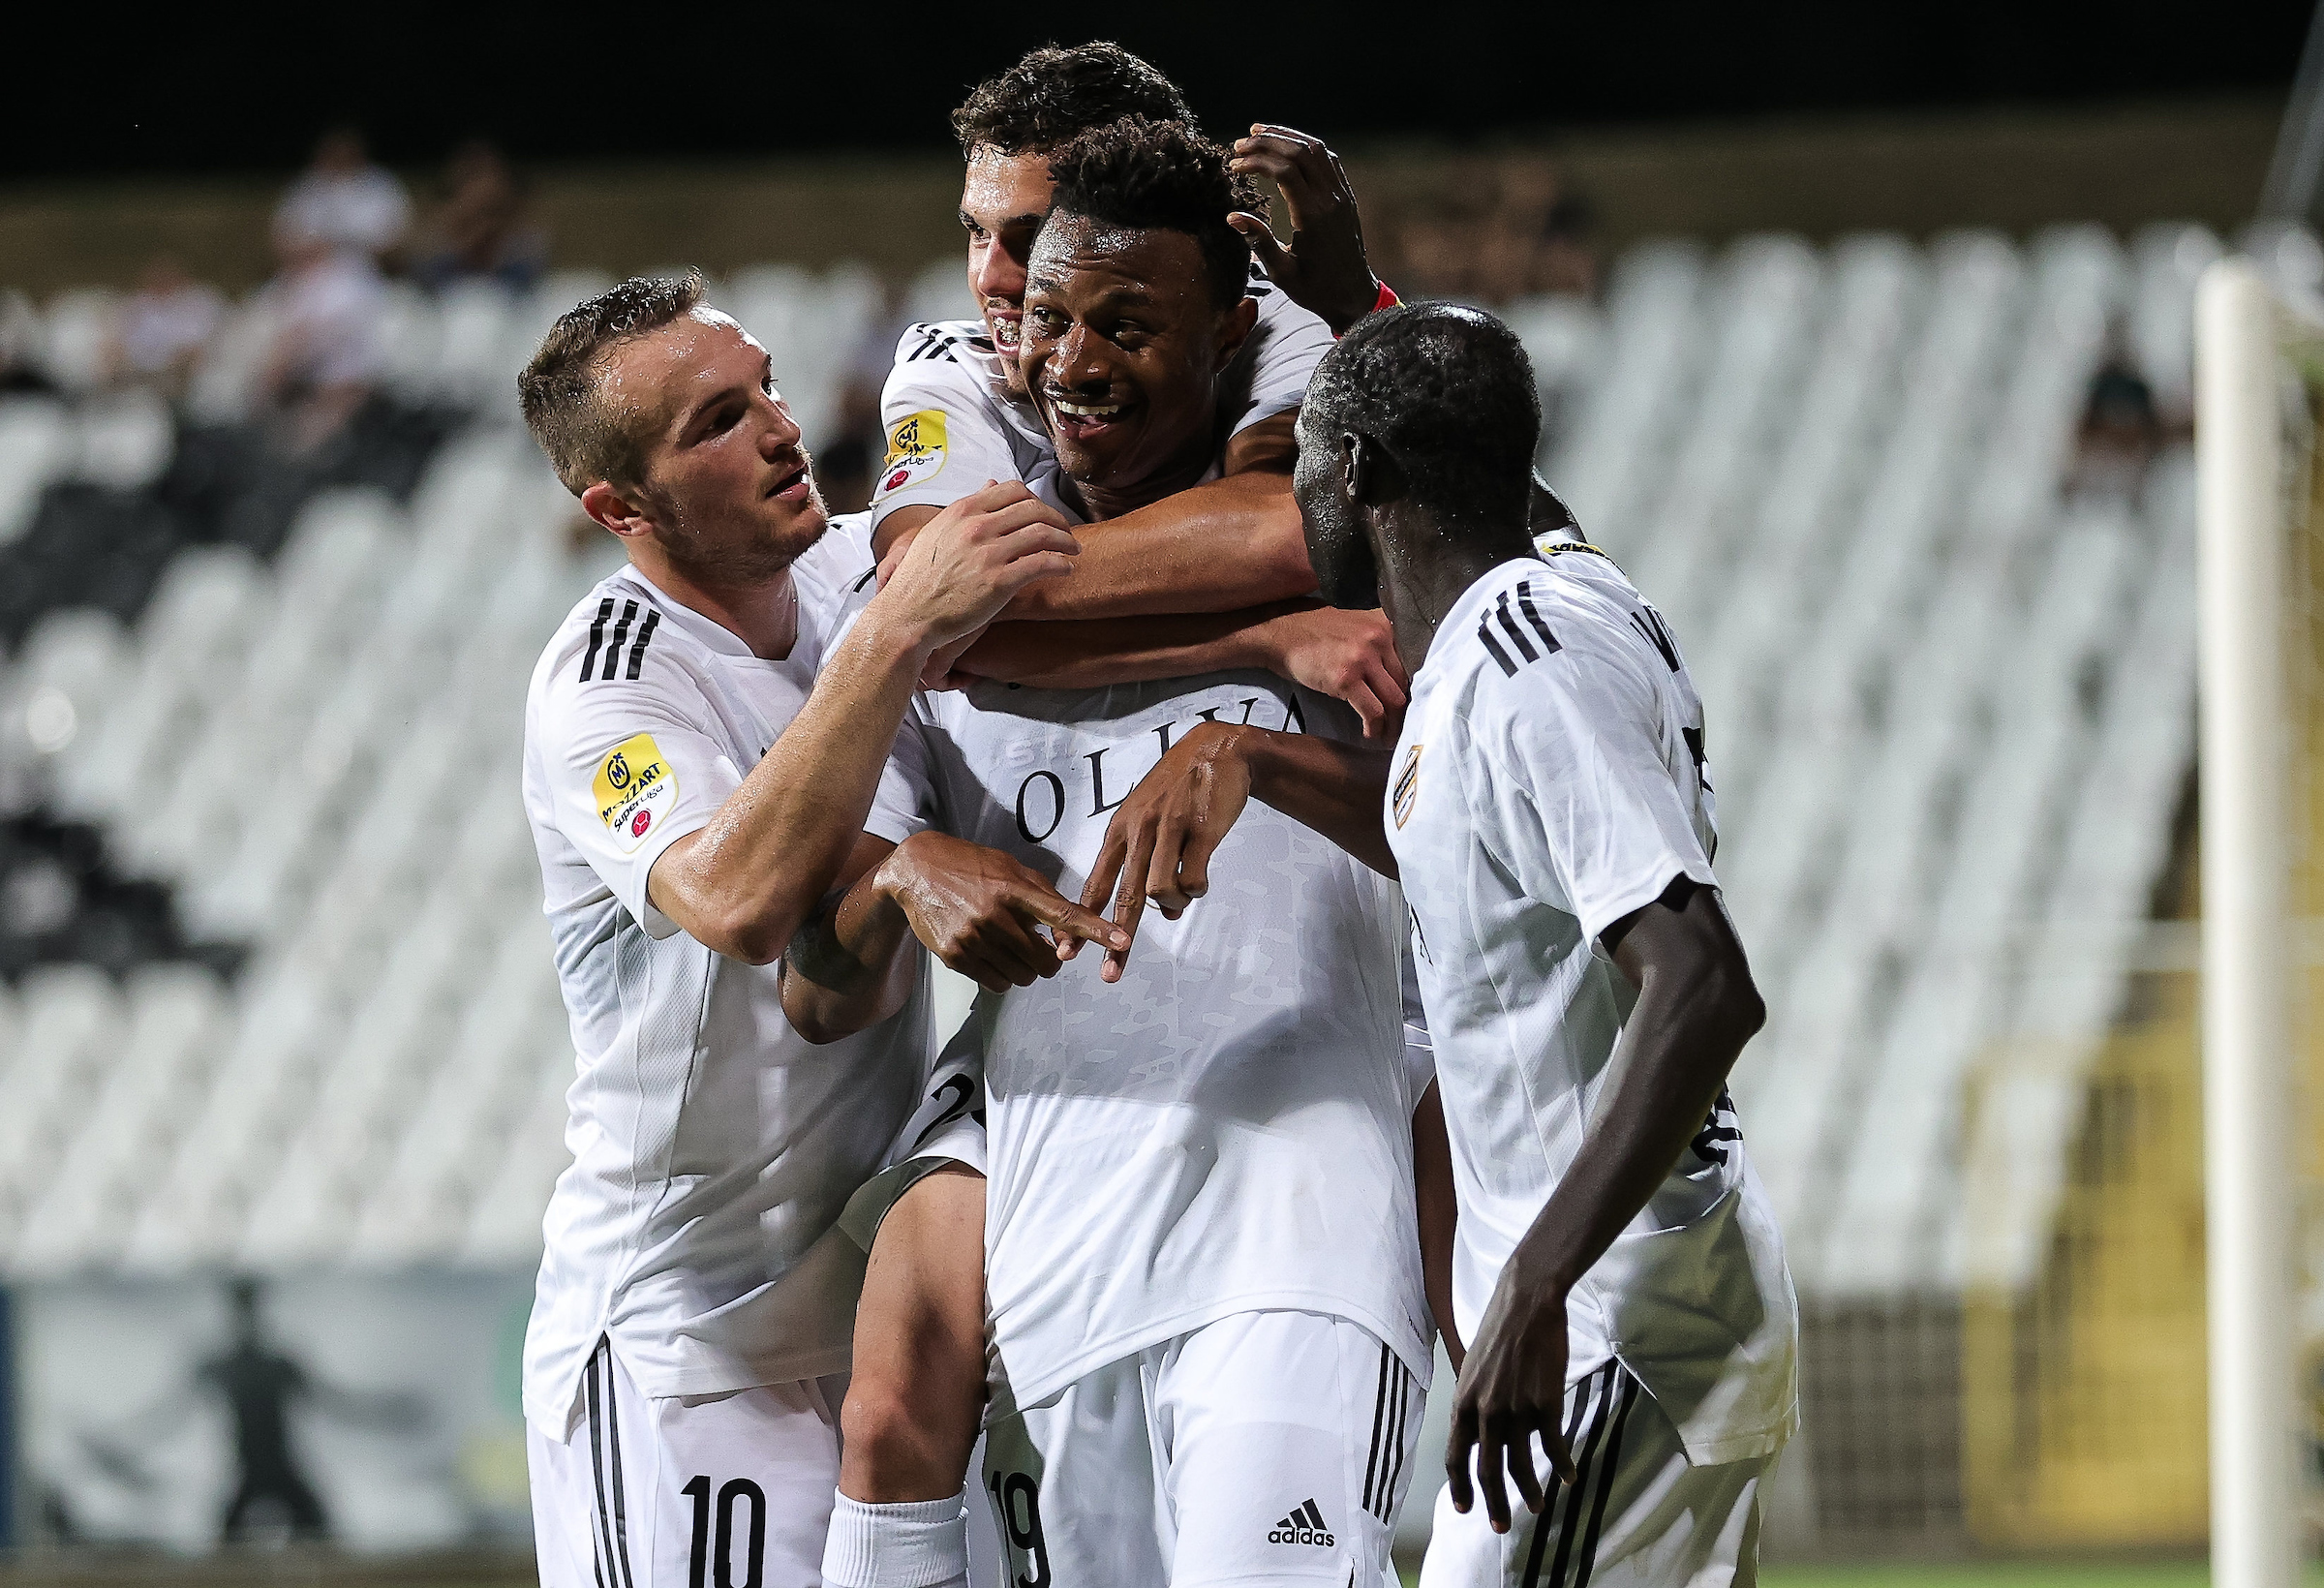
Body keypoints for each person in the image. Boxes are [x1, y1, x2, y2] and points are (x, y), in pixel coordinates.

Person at [790, 117, 1442, 1588]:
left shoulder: (1350, 578)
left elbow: (1472, 833)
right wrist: (901, 880)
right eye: (1052, 321)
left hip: (1294, 1244)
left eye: (1128, 328)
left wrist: (1267, 740)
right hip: (1066, 1259)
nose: (1072, 361)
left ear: (1233, 336)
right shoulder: (920, 631)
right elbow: (812, 978)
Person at [1087, 303, 1799, 1588]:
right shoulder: (1533, 614)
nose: (1291, 487)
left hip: (1608, 1329)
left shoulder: (1529, 658)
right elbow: (1462, 839)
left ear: (1357, 471)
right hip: (1612, 1316)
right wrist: (1256, 756)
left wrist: (1533, 1285)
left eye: (1304, 452)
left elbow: (1704, 984)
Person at [512, 271, 1122, 1588]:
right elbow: (736, 903)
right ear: (620, 508)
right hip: (687, 1348)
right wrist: (896, 635)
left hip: (876, 1329)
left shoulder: (862, 563)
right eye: (716, 422)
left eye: (768, 386)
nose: (782, 430)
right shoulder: (611, 680)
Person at [275, 127, 411, 265]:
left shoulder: (381, 186)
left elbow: (397, 243)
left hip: (370, 273)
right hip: (313, 273)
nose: (340, 155)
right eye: (333, 150)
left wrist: (347, 248)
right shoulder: (305, 188)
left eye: (346, 150)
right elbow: (285, 240)